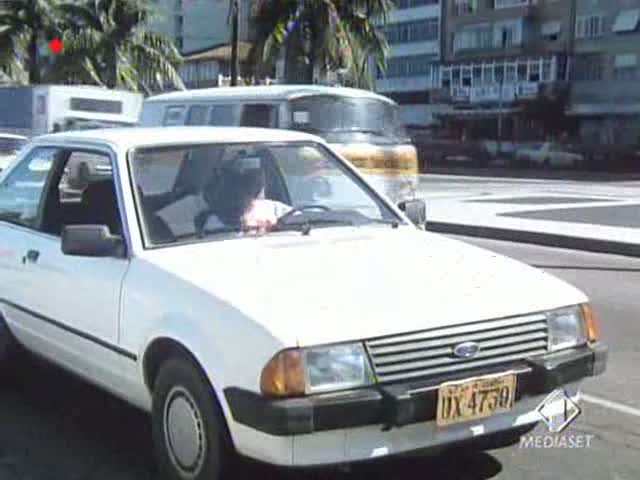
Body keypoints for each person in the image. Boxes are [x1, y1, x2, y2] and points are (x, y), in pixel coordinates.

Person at [199, 156, 291, 235]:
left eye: (256, 175)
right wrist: (247, 227)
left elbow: (301, 222)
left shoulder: (277, 209)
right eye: (241, 180)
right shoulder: (214, 222)